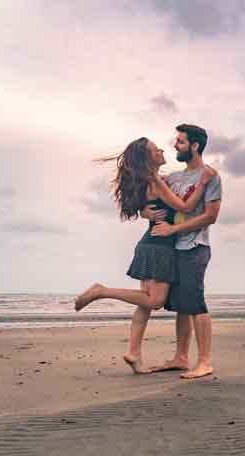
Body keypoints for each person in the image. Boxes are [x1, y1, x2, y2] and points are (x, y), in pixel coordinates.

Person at [73, 137, 216, 374]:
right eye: (155, 149)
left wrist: (143, 211)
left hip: (150, 243)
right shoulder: (154, 182)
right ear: (148, 158)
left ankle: (134, 353)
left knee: (144, 303)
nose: (161, 149)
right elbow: (185, 207)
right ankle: (101, 291)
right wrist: (203, 183)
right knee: (154, 301)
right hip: (160, 246)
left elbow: (150, 204)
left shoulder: (152, 180)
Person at [145, 124, 222, 379]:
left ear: (195, 146)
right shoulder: (174, 178)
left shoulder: (210, 176)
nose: (174, 146)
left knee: (195, 302)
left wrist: (172, 231)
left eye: (179, 141)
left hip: (195, 247)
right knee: (181, 306)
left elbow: (210, 217)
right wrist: (143, 211)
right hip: (174, 249)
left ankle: (205, 362)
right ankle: (180, 357)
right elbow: (147, 197)